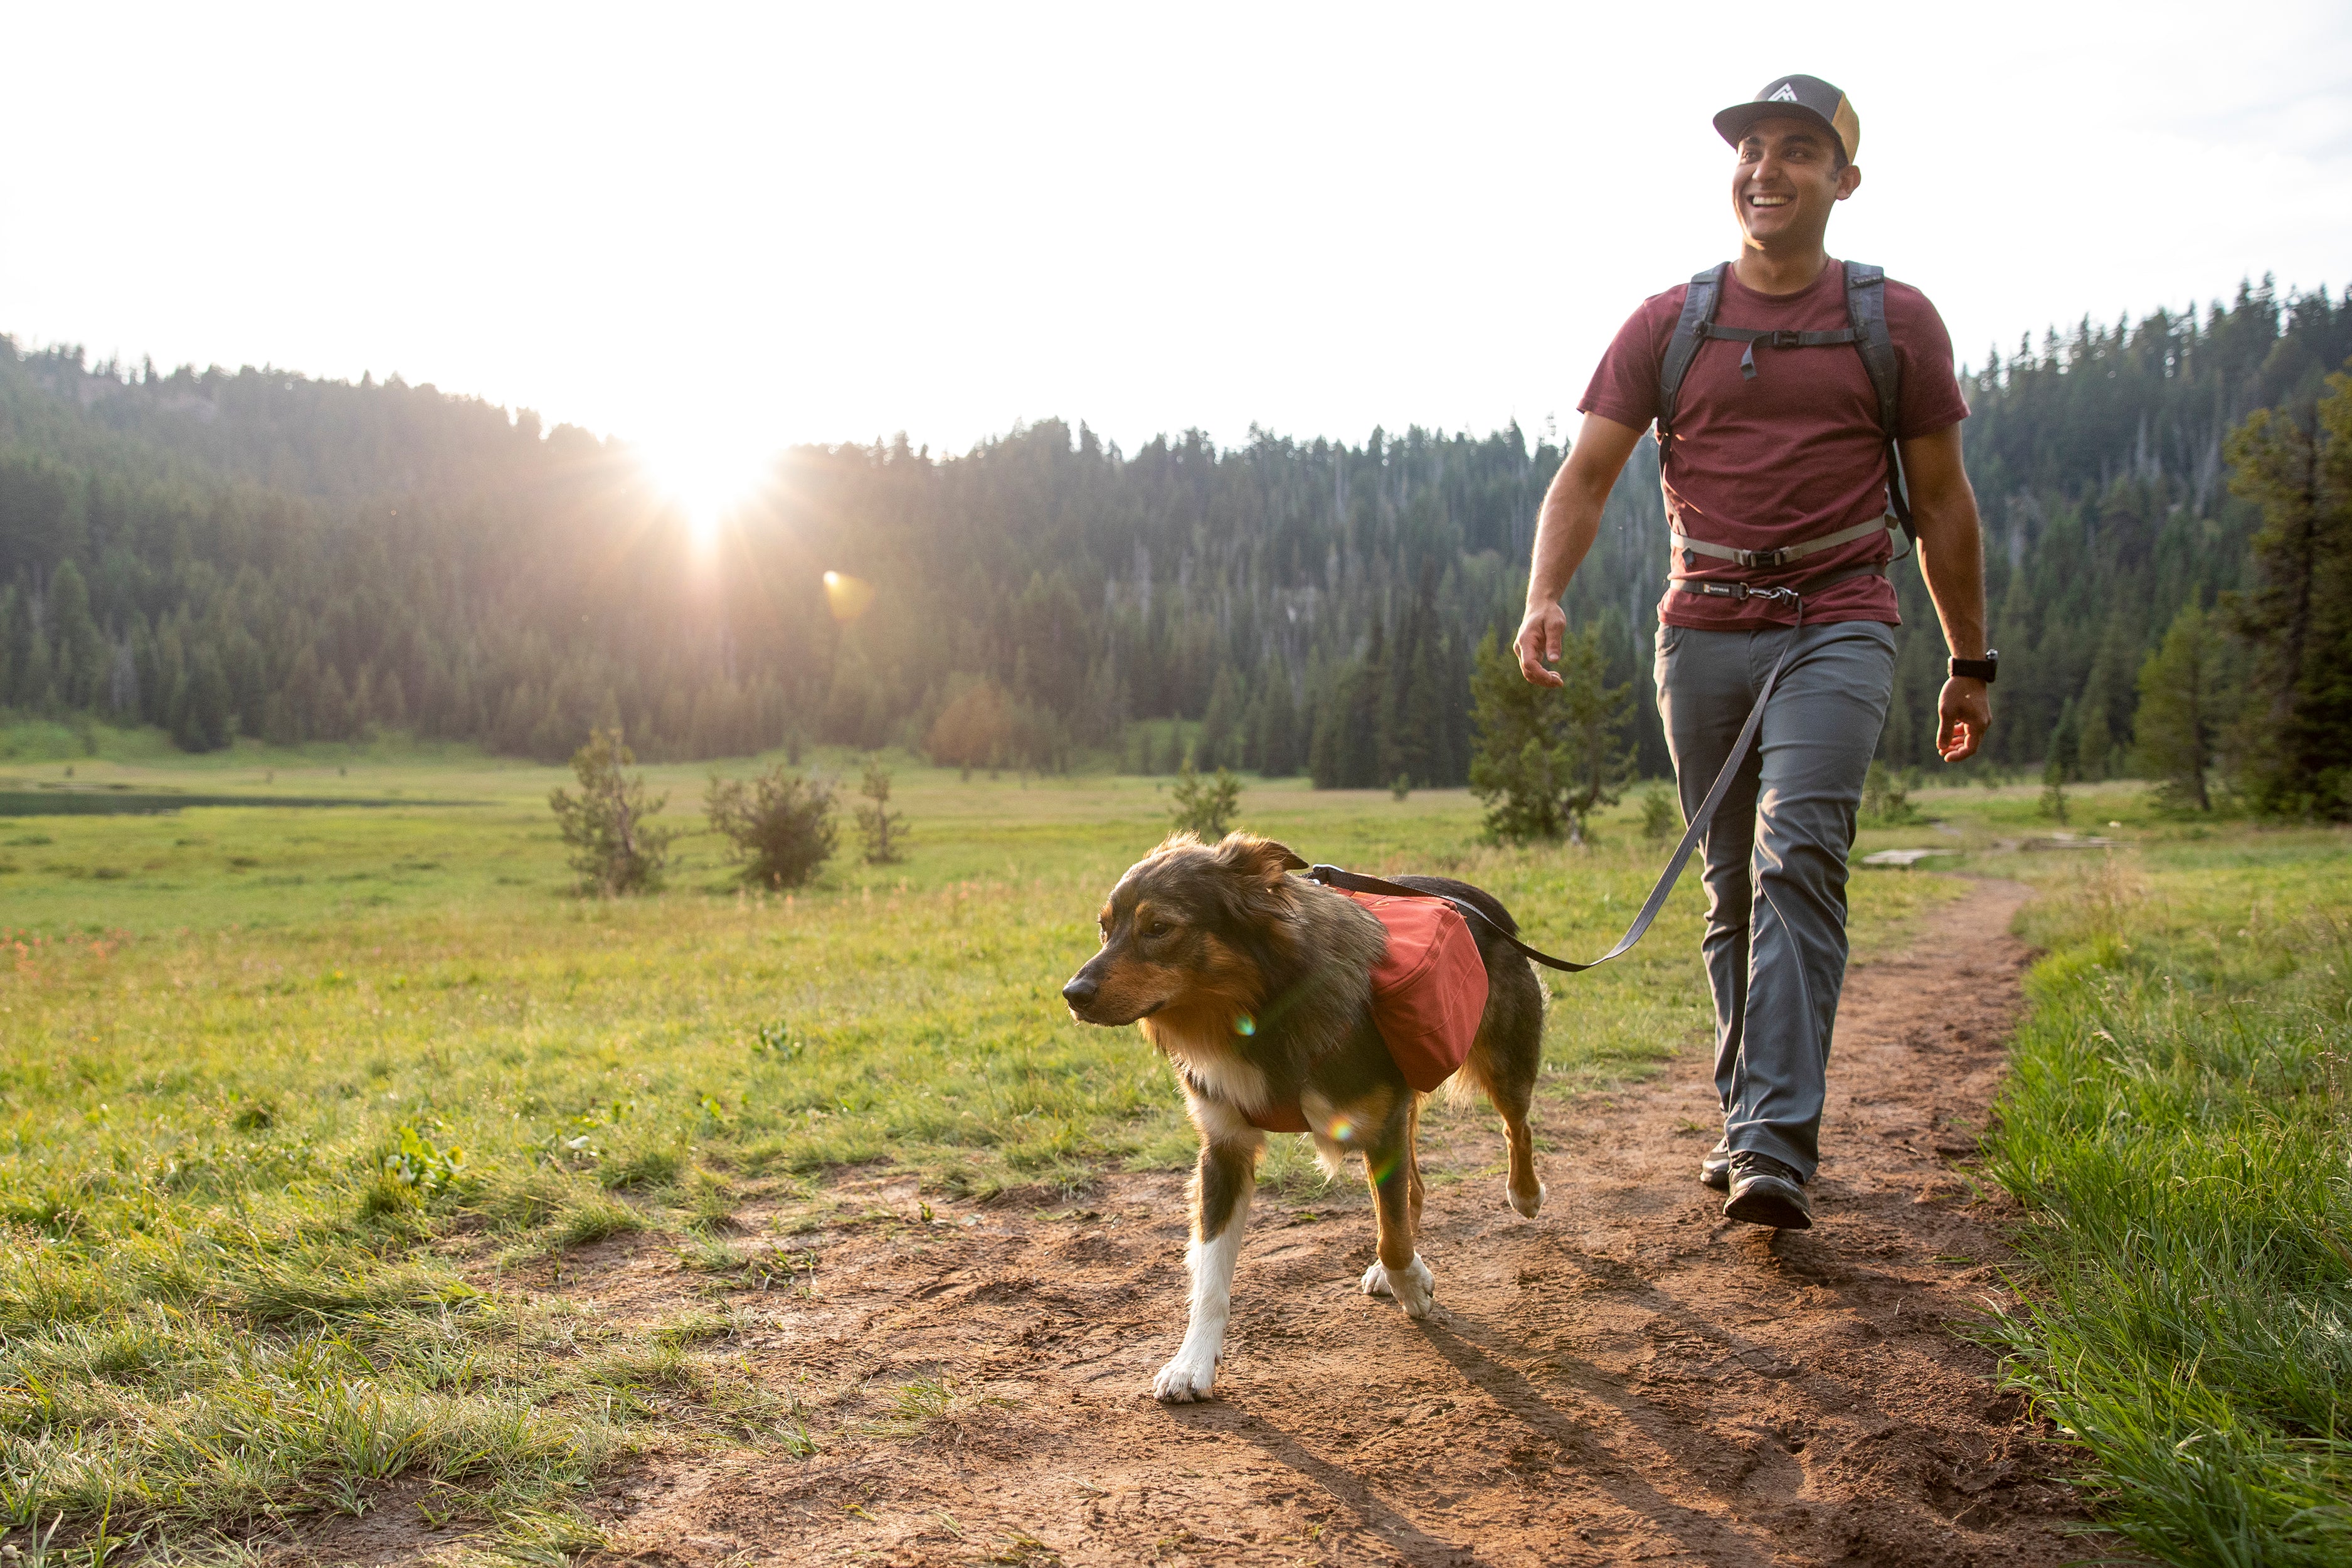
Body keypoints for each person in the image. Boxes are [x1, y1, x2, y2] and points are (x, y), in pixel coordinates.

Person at [1513, 75, 1994, 1231]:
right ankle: (1744, 1120)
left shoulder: (1895, 321)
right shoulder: (1668, 323)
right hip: (1705, 631)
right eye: (1751, 149)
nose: (1765, 169)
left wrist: (1968, 658)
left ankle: (1774, 1144)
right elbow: (1586, 475)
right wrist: (1544, 594)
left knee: (1798, 860)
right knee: (1727, 888)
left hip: (1839, 618)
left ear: (1843, 179)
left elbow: (1940, 501)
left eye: (1796, 150)